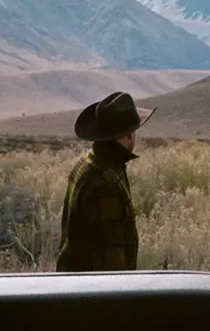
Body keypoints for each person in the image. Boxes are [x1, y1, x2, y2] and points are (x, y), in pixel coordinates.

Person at [56, 91, 155, 272]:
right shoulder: (106, 181)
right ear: (129, 135)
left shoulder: (87, 163)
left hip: (76, 281)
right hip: (94, 287)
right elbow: (111, 258)